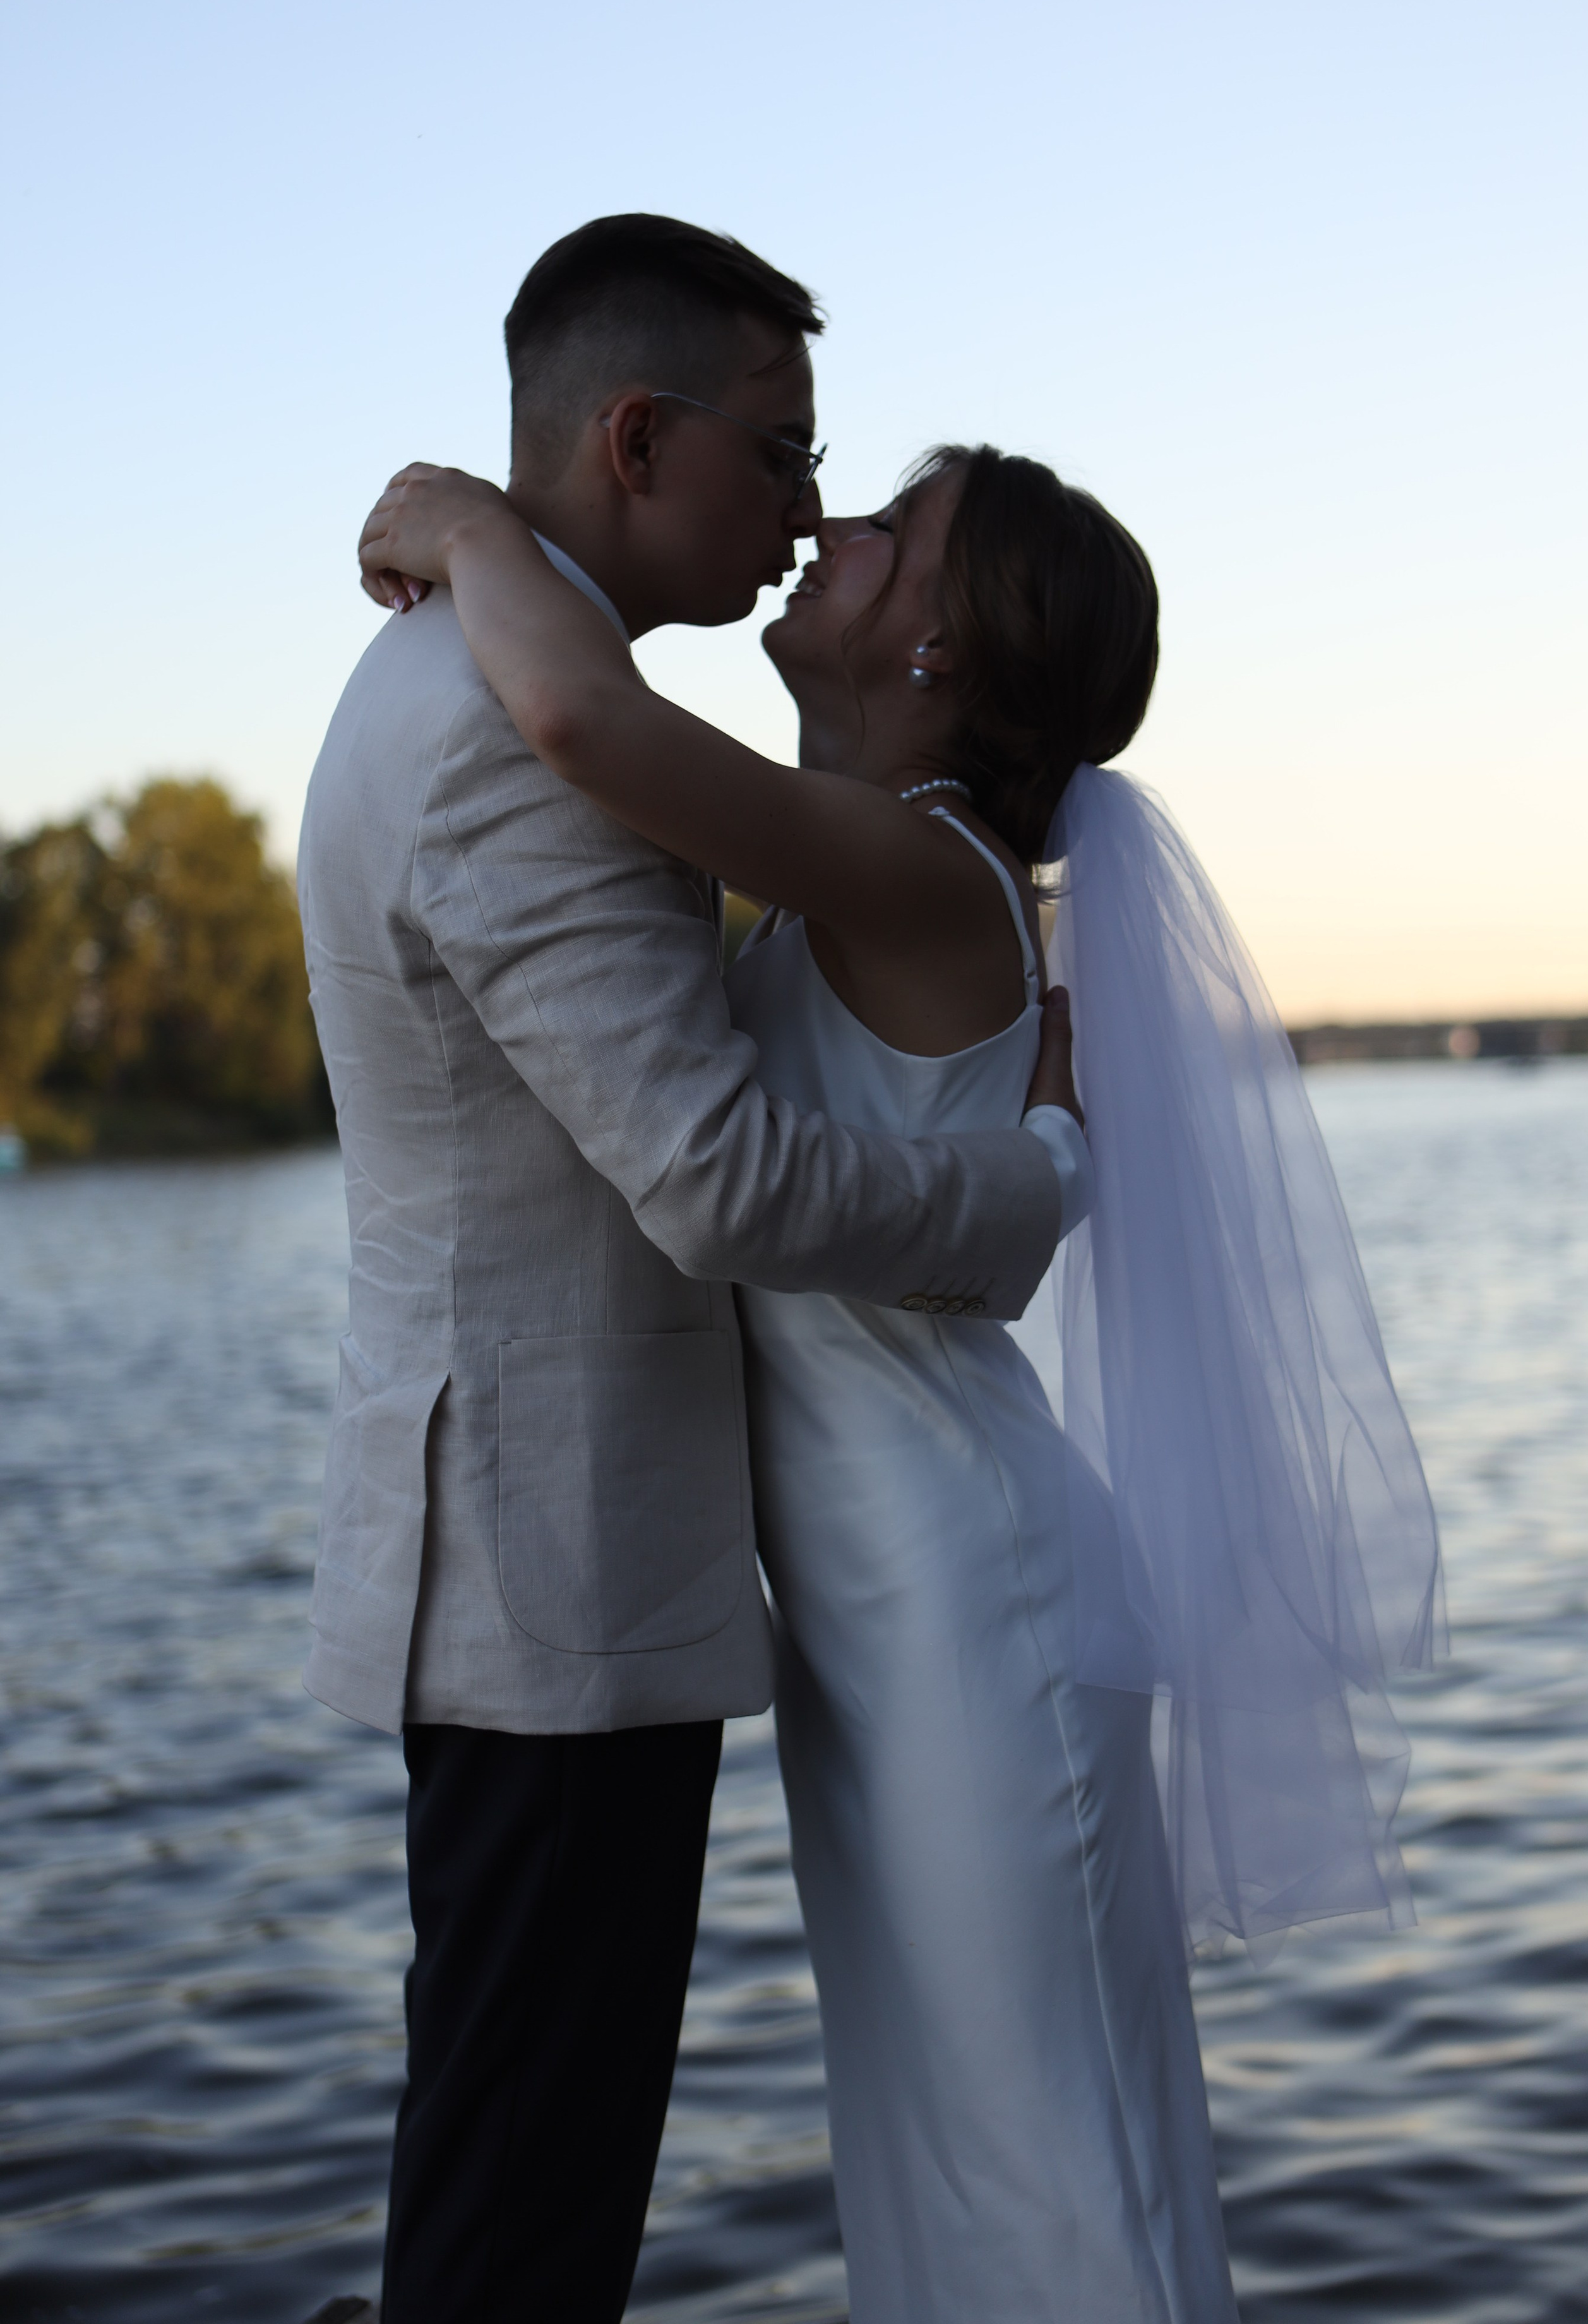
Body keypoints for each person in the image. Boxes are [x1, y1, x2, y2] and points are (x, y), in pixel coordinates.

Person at [298, 217, 1092, 2324]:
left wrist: (451, 520)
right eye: (782, 455)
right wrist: (1026, 1197)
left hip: (641, 1563)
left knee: (535, 2184)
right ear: (640, 439)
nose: (808, 514)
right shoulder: (509, 721)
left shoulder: (545, 687)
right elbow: (720, 1183)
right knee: (522, 2221)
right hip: (558, 1574)